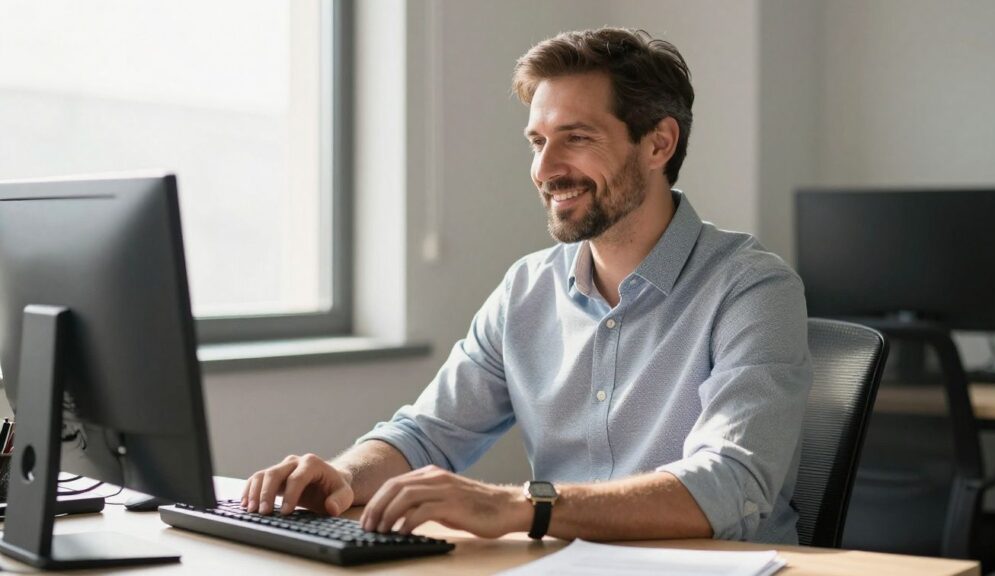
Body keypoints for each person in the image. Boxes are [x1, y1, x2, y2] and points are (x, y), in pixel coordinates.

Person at [242, 27, 812, 544]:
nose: (545, 169)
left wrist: (520, 506)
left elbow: (731, 481)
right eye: (538, 142)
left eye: (577, 138)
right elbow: (428, 433)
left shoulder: (752, 288)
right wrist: (343, 477)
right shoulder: (527, 290)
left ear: (659, 143)